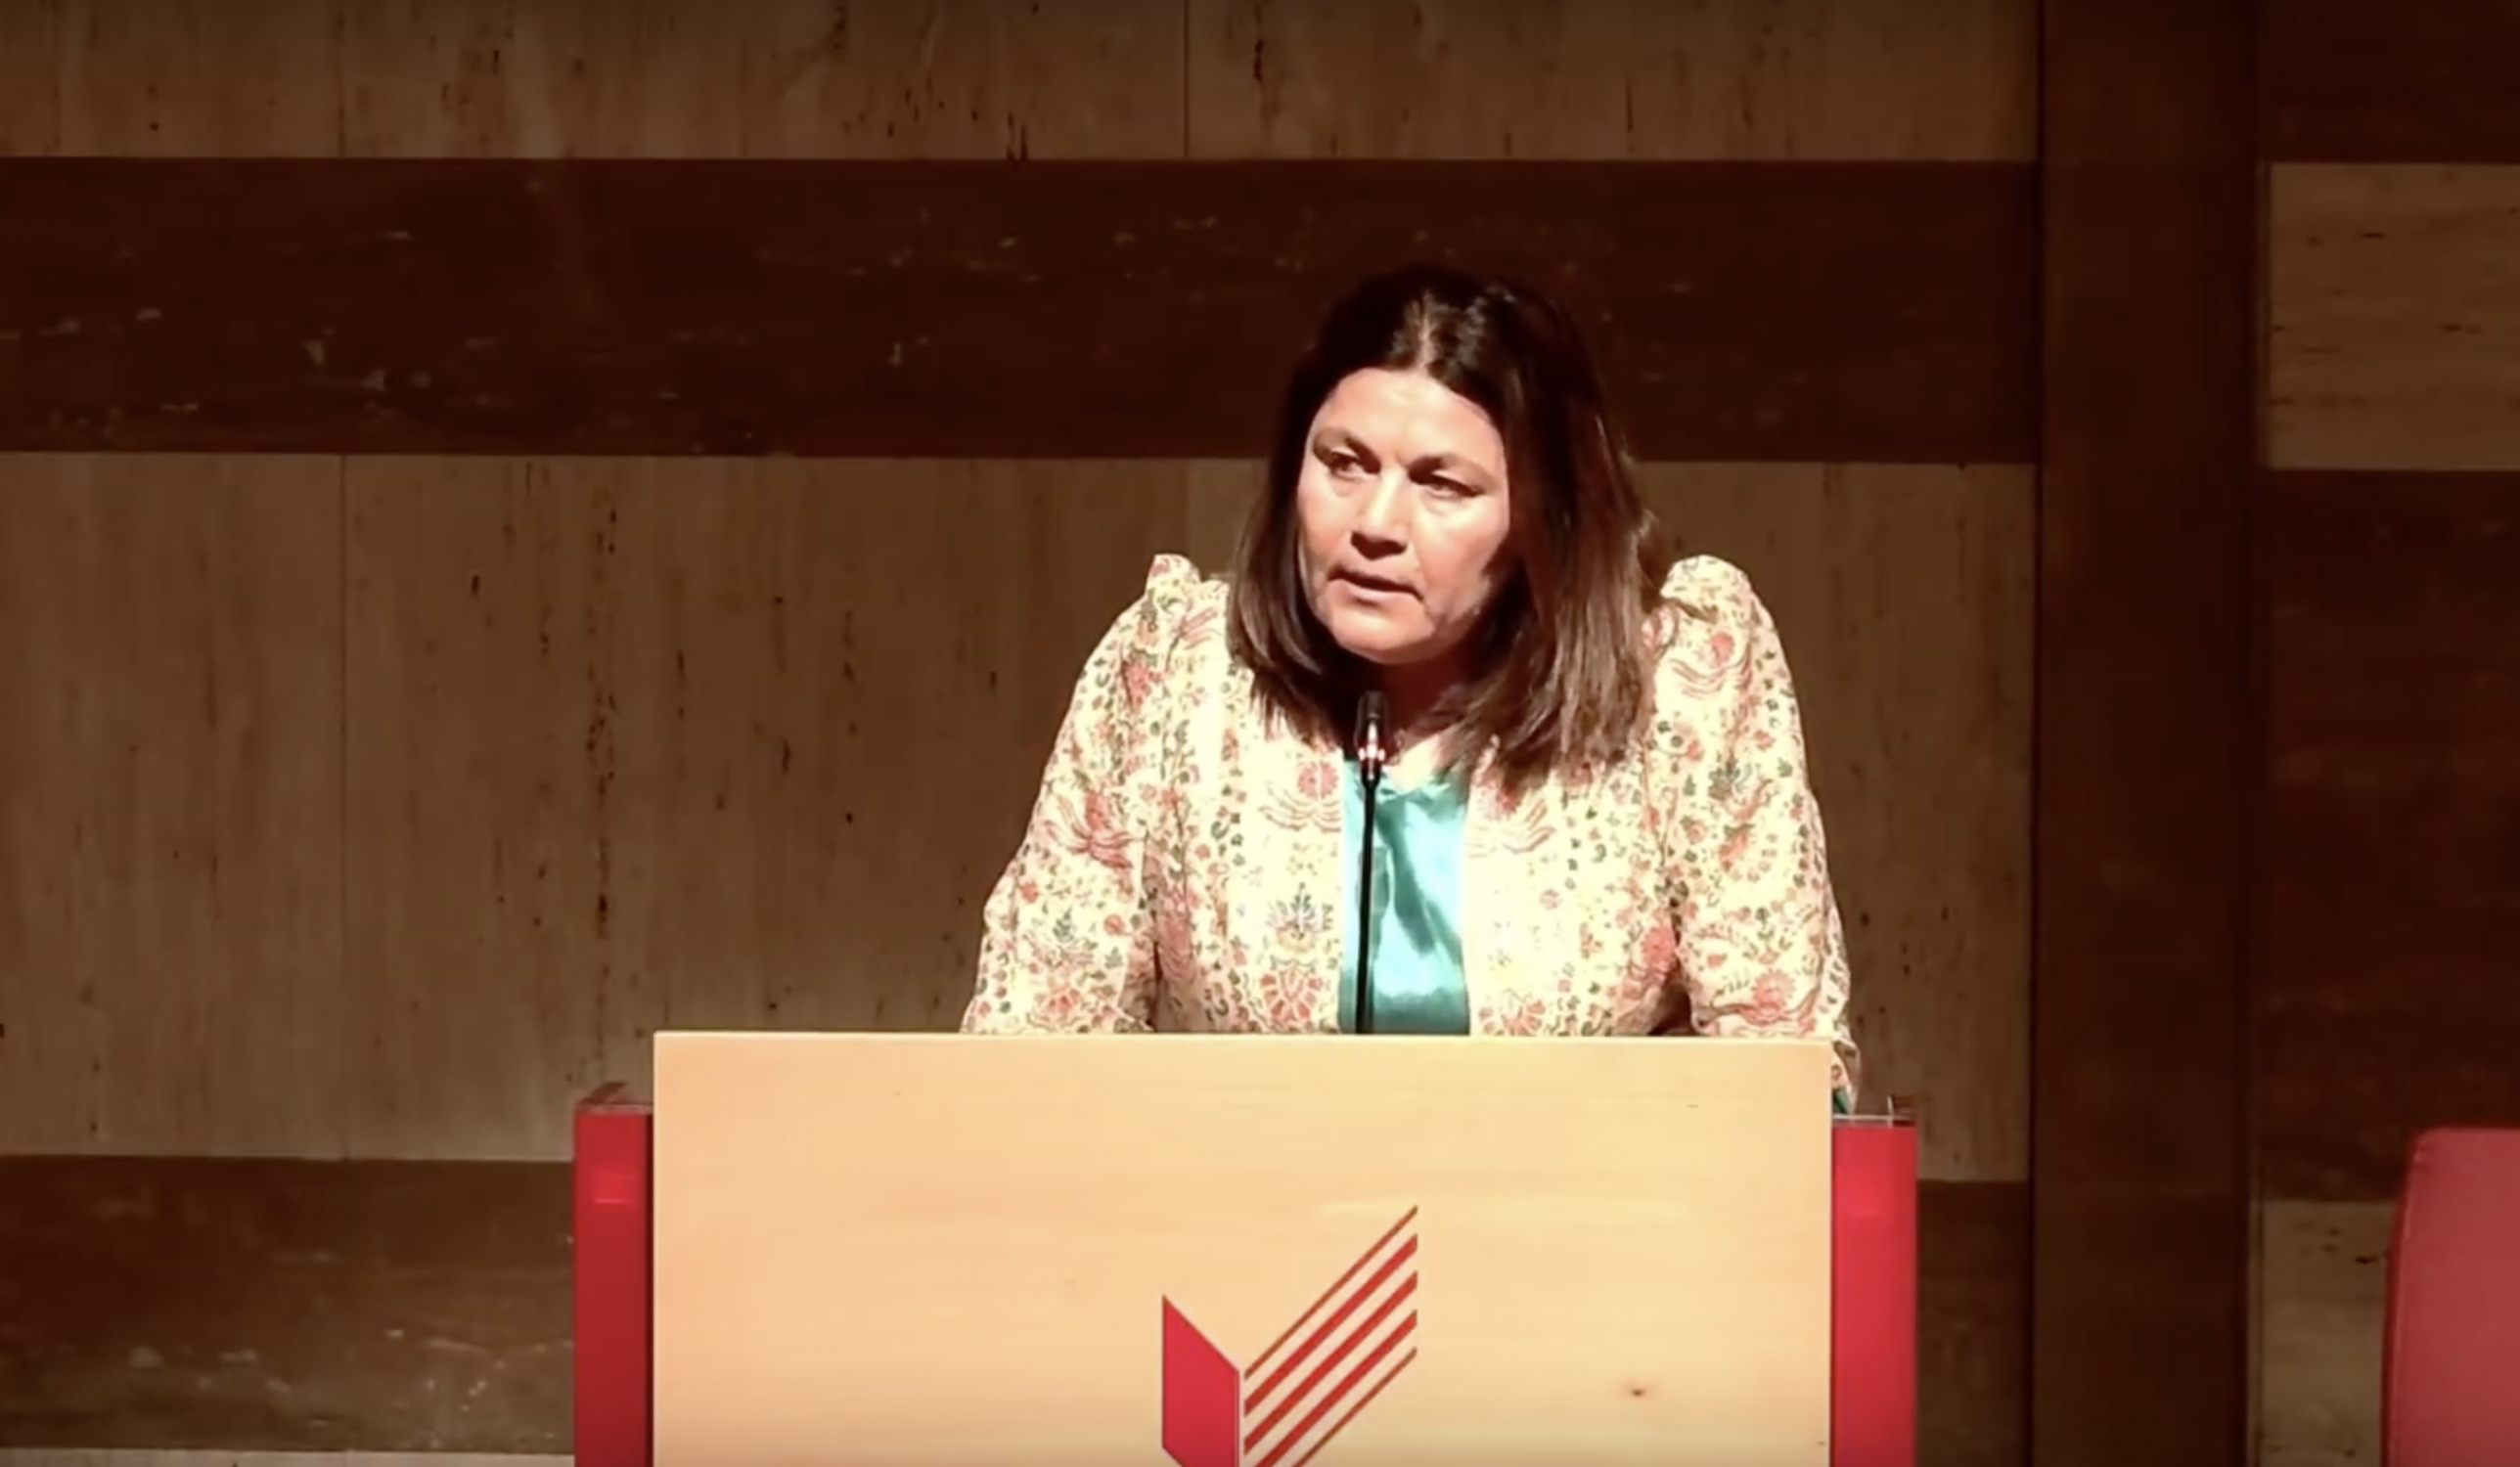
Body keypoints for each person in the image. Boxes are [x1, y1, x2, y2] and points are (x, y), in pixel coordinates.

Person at [958, 262, 1859, 1111]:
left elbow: (1784, 1080)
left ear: (1539, 519)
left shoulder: (1685, 677)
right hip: (1237, 1220)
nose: (1376, 524)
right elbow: (1029, 1059)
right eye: (1343, 464)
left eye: (1441, 484)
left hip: (1587, 1218)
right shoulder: (1172, 672)